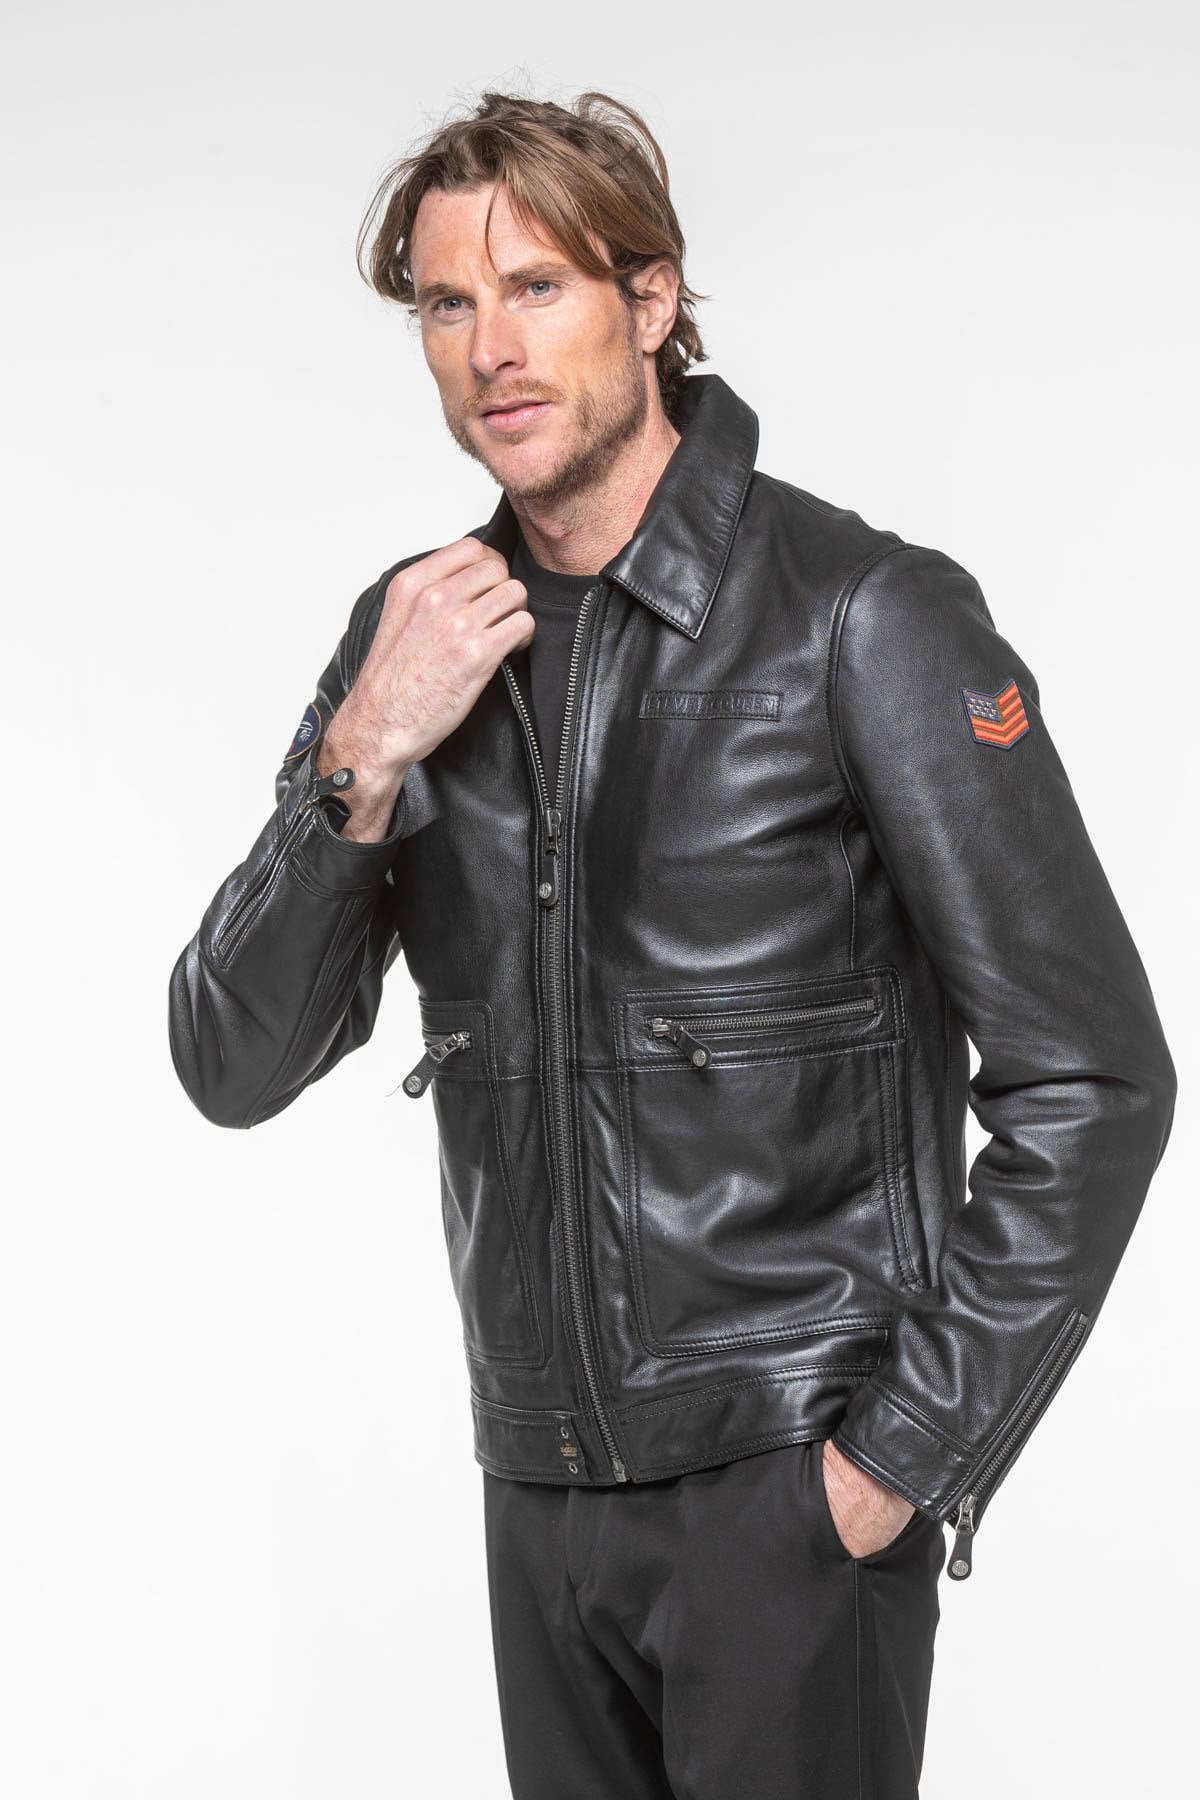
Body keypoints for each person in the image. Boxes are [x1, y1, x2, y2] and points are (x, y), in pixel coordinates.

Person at [168, 89, 1177, 1799]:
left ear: (650, 301)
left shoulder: (861, 616)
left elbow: (1094, 1077)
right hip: (537, 1495)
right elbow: (231, 1060)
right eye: (446, 304)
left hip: (789, 1492)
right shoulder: (413, 640)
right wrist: (366, 752)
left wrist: (894, 1464)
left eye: (537, 287)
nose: (491, 349)